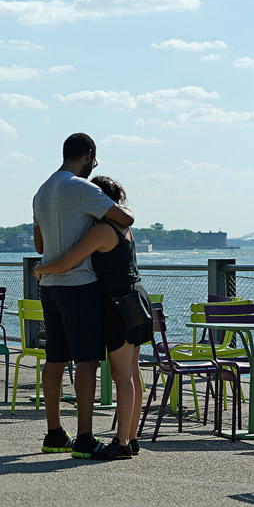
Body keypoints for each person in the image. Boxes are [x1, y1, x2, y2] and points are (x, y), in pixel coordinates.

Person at [35, 176, 152, 460]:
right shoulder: (125, 230)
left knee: (122, 376)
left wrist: (42, 270)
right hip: (137, 300)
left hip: (117, 305)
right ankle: (132, 438)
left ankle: (122, 442)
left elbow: (67, 261)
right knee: (133, 373)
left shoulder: (101, 230)